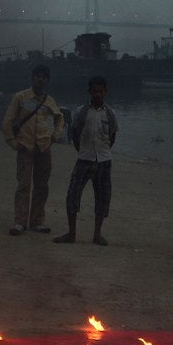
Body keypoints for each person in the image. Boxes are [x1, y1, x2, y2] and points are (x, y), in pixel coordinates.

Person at [1, 64, 64, 236]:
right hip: (25, 146)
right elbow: (8, 121)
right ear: (32, 77)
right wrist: (12, 142)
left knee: (42, 186)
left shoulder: (49, 100)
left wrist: (55, 136)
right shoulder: (20, 97)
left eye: (44, 77)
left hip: (44, 147)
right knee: (24, 184)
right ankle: (20, 222)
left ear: (47, 80)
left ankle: (37, 221)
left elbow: (59, 118)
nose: (40, 79)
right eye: (38, 76)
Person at [55, 76, 118, 246]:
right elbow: (75, 134)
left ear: (105, 92)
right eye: (94, 91)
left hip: (104, 160)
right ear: (89, 92)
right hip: (84, 159)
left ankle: (97, 234)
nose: (97, 94)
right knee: (73, 194)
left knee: (103, 197)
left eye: (100, 91)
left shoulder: (110, 113)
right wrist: (82, 150)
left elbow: (112, 136)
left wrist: (103, 150)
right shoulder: (81, 111)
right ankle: (72, 233)